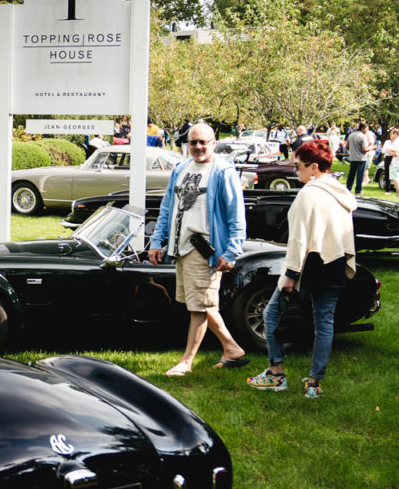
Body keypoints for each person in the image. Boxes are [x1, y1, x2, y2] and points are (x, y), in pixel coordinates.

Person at [248, 139, 356, 399]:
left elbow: (299, 239)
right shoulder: (338, 191)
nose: (295, 171)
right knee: (324, 324)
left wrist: (290, 275)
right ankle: (314, 384)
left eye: (298, 166)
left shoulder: (308, 194)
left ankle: (276, 374)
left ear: (314, 167)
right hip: (335, 264)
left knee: (271, 314)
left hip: (309, 268)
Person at [148, 123, 248, 376]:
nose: (198, 147)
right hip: (180, 248)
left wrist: (231, 251)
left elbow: (237, 214)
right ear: (187, 144)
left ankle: (186, 362)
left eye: (204, 142)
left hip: (205, 249)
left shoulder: (222, 171)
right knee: (200, 302)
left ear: (214, 142)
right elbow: (167, 208)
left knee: (198, 308)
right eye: (194, 142)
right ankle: (232, 349)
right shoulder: (181, 168)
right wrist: (157, 241)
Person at [345, 121, 371, 195]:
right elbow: (364, 149)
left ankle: (348, 188)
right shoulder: (363, 136)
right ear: (362, 128)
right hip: (361, 158)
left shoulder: (351, 135)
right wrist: (372, 148)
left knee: (351, 174)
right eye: (366, 129)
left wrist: (353, 148)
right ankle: (358, 190)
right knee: (360, 174)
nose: (367, 130)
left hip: (352, 157)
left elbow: (346, 146)